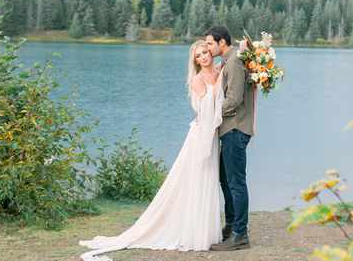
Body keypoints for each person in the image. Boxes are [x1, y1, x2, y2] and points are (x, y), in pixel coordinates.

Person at [79, 41, 224, 261]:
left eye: (205, 52)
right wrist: (220, 79)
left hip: (212, 136)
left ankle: (206, 231)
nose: (203, 57)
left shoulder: (219, 70)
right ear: (194, 60)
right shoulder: (198, 79)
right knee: (197, 180)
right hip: (200, 137)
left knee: (209, 180)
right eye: (198, 55)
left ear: (211, 52)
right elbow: (208, 105)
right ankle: (195, 234)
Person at [204, 25, 255, 251]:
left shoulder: (234, 62)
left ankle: (240, 235)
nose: (207, 48)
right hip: (229, 128)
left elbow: (233, 100)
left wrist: (209, 112)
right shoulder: (230, 60)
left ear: (221, 42)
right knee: (226, 181)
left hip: (235, 128)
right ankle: (231, 226)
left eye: (210, 44)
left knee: (236, 183)